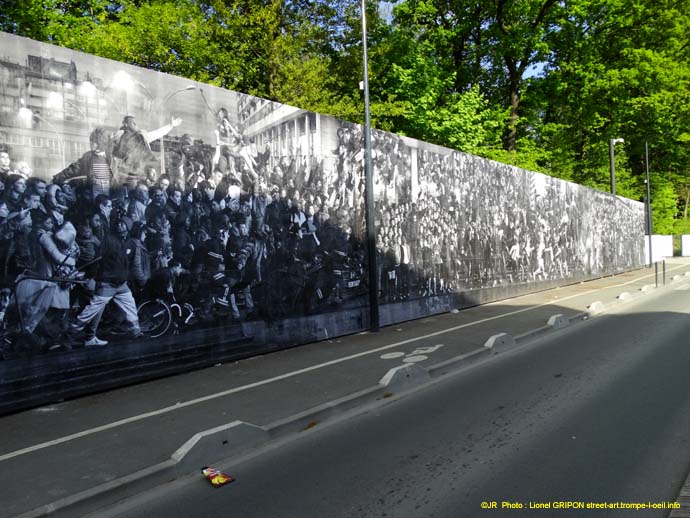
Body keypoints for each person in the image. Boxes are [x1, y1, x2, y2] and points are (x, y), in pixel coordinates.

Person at [67, 218, 142, 347]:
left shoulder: (127, 242)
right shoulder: (109, 239)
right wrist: (91, 275)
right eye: (118, 223)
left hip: (120, 283)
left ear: (128, 228)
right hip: (108, 282)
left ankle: (136, 332)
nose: (119, 225)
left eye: (122, 224)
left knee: (130, 306)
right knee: (91, 310)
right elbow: (98, 259)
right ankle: (68, 335)